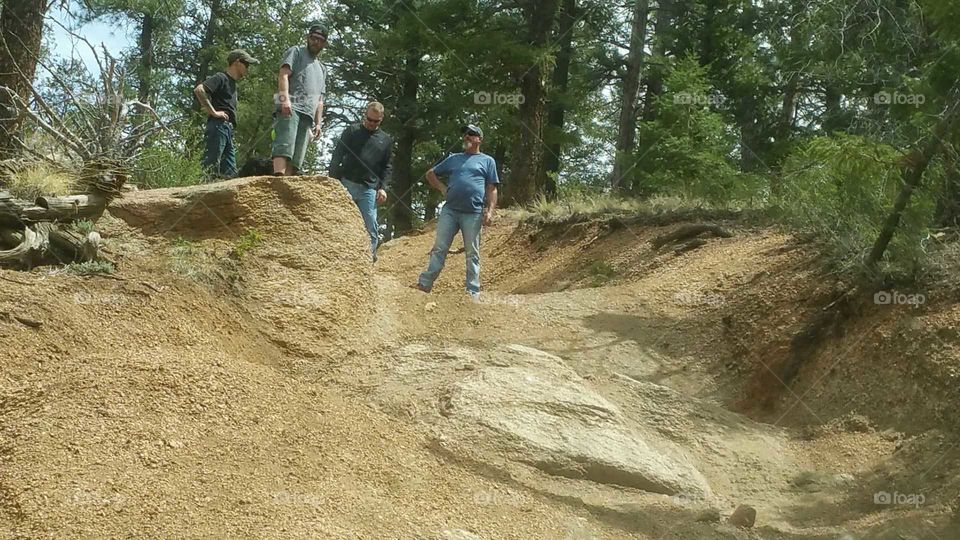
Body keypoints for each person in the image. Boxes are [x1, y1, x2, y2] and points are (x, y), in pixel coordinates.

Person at [414, 124, 499, 298]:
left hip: (474, 213)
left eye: (471, 134)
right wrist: (442, 188)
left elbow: (491, 188)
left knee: (472, 253)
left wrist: (490, 211)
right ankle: (424, 285)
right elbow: (431, 173)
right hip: (450, 211)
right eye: (465, 134)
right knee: (439, 248)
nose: (466, 137)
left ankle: (472, 292)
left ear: (479, 139)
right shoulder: (454, 158)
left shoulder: (487, 161)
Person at [329, 102, 393, 261]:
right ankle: (337, 256)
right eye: (369, 119)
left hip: (369, 188)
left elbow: (387, 166)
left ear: (381, 119)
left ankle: (367, 261)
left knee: (370, 226)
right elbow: (338, 154)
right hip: (346, 183)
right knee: (339, 221)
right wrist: (332, 179)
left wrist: (383, 187)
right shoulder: (352, 131)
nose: (372, 124)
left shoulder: (385, 140)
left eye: (376, 121)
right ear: (365, 115)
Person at [271, 25, 328, 176]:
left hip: (308, 113)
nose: (316, 42)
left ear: (324, 44)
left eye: (320, 40)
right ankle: (278, 179)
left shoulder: (322, 68)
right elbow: (283, 75)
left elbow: (320, 99)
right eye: (313, 38)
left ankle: (287, 187)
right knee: (284, 146)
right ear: (308, 38)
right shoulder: (296, 51)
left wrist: (318, 123)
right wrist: (284, 100)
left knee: (297, 158)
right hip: (291, 106)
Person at [194, 49, 259, 180]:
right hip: (218, 126)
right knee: (210, 165)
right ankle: (202, 194)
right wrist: (213, 112)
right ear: (237, 62)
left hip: (227, 129)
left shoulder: (233, 84)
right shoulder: (221, 77)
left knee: (230, 172)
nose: (248, 68)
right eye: (246, 64)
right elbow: (199, 90)